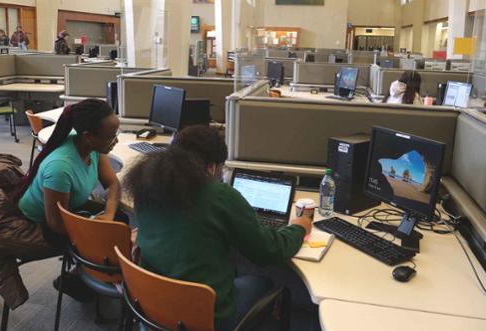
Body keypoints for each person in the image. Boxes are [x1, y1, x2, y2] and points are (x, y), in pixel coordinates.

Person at [124, 126, 311, 330]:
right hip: (206, 316)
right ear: (212, 167)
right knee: (262, 282)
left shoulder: (146, 183)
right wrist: (298, 227)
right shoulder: (218, 194)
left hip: (153, 306)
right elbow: (269, 251)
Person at [18, 99, 121, 238]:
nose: (116, 141)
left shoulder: (92, 147)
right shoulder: (60, 168)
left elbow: (113, 184)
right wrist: (96, 227)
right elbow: (57, 224)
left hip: (70, 208)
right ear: (88, 136)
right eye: (110, 137)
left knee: (119, 219)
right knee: (113, 235)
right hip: (39, 224)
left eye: (116, 133)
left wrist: (108, 215)